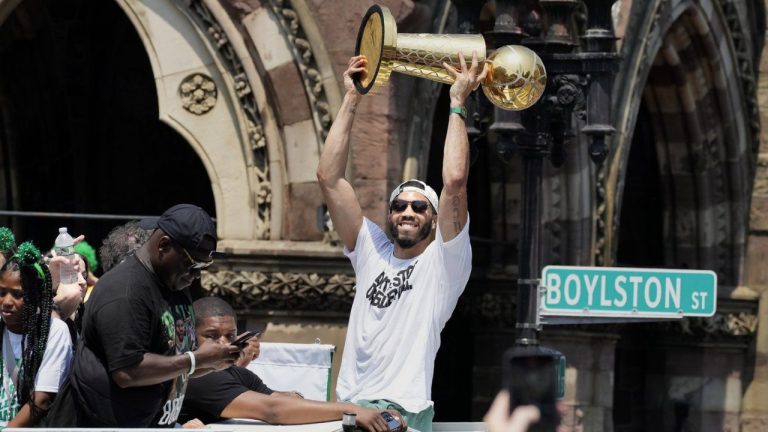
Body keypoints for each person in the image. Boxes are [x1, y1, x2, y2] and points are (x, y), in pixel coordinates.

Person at [316, 52, 485, 432]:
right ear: (389, 214)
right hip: (348, 408)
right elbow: (329, 178)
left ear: (435, 218)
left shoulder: (444, 263)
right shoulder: (370, 249)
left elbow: (455, 182)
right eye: (399, 206)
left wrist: (457, 103)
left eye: (420, 207)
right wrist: (351, 98)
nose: (408, 212)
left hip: (400, 414)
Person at [44, 204, 242, 427]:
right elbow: (127, 372)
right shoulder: (125, 290)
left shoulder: (175, 284)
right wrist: (195, 359)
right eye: (192, 264)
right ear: (164, 245)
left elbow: (169, 361)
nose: (196, 274)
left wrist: (214, 361)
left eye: (204, 266)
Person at [179, 297, 406, 431]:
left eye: (231, 336)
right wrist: (354, 411)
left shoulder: (235, 374)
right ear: (191, 336)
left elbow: (282, 400)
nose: (223, 344)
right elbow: (273, 410)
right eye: (211, 336)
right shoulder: (203, 378)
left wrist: (371, 414)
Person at [0, 242, 73, 426]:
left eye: (17, 295)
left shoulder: (54, 331)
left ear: (36, 296)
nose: (6, 301)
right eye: (1, 292)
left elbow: (42, 399)